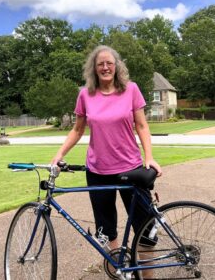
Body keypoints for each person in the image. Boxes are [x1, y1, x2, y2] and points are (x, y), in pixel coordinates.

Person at [51, 45, 162, 251]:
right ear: (94, 68)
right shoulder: (85, 95)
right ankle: (116, 270)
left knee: (146, 231)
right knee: (106, 231)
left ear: (116, 66)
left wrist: (149, 157)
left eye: (109, 63)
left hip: (131, 167)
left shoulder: (131, 89)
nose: (105, 67)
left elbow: (142, 125)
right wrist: (59, 154)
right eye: (100, 64)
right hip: (98, 171)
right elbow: (77, 130)